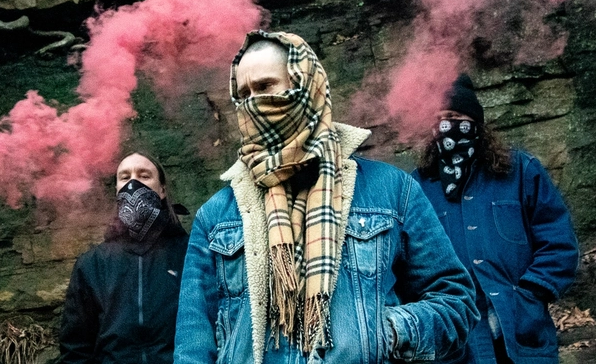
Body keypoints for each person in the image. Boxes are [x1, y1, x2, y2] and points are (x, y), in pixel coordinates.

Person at [174, 30, 479, 364]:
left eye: (264, 87)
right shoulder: (216, 216)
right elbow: (193, 343)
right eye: (243, 94)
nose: (253, 103)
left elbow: (455, 298)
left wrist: (386, 333)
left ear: (306, 85)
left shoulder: (392, 190)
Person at [411, 73, 579, 364]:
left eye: (453, 116)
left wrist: (528, 297)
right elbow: (409, 265)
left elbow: (559, 243)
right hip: (458, 345)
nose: (445, 126)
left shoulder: (521, 171)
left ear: (474, 121)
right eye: (437, 118)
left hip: (523, 337)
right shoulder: (416, 189)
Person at [58, 152, 190, 364]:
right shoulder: (92, 264)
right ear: (117, 190)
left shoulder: (189, 253)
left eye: (144, 176)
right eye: (125, 177)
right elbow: (76, 348)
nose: (133, 183)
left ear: (162, 189)